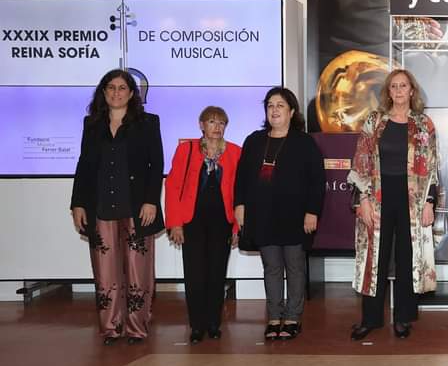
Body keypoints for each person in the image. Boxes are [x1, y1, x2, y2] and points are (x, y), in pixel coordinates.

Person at [70, 69, 164, 346]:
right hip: (100, 207)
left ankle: (136, 327)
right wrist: (77, 203)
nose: (116, 93)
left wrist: (151, 200)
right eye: (111, 87)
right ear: (103, 92)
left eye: (122, 88)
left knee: (137, 270)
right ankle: (111, 327)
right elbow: (84, 166)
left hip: (137, 208)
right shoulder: (92, 124)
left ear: (132, 93)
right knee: (105, 271)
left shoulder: (148, 122)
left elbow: (156, 164)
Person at [349, 69, 440, 340]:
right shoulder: (374, 121)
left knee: (407, 257)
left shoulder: (424, 124)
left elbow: (433, 166)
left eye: (403, 86)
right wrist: (363, 199)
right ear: (388, 92)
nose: (399, 90)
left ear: (412, 91)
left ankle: (403, 318)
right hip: (377, 196)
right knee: (374, 257)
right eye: (394, 86)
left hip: (412, 200)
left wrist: (429, 202)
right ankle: (370, 318)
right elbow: (360, 160)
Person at [234, 87, 325, 341]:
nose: (274, 110)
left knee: (295, 268)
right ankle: (274, 317)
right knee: (271, 268)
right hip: (262, 215)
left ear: (292, 111)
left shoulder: (304, 143)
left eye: (280, 105)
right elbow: (241, 177)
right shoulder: (254, 140)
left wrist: (312, 211)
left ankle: (293, 317)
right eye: (270, 105)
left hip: (295, 216)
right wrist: (240, 205)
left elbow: (317, 181)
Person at [164, 106, 242, 343]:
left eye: (221, 123)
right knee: (194, 274)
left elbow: (240, 193)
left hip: (222, 222)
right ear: (201, 125)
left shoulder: (235, 152)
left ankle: (213, 323)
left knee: (217, 274)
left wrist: (237, 227)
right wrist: (175, 223)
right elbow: (173, 186)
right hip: (192, 222)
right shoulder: (186, 149)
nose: (217, 127)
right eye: (211, 122)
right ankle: (197, 326)